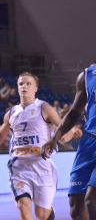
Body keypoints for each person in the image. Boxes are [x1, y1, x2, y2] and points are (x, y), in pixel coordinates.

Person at [0, 72, 80, 220]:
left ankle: (49, 211)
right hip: (18, 166)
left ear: (35, 88)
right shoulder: (11, 113)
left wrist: (71, 132)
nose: (24, 86)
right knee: (23, 206)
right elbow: (1, 134)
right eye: (21, 84)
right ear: (17, 88)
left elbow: (62, 129)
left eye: (28, 83)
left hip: (42, 164)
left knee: (42, 214)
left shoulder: (44, 108)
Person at [41, 64, 96, 220]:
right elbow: (74, 113)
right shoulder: (87, 76)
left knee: (91, 200)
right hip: (88, 143)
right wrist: (55, 138)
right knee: (76, 208)